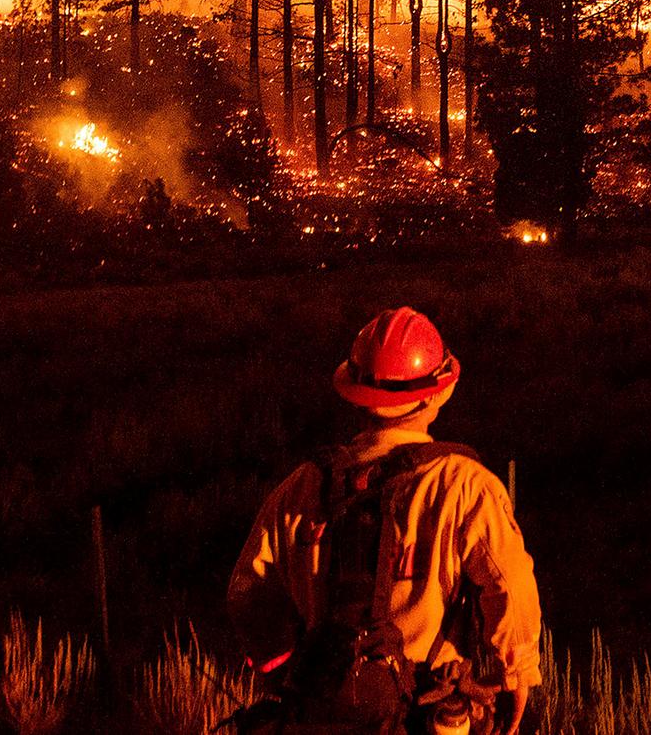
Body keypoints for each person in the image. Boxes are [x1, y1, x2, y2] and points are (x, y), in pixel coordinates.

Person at [230, 306, 541, 735]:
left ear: (355, 392)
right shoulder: (464, 485)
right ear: (436, 394)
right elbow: (509, 585)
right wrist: (515, 673)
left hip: (318, 717)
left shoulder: (301, 488)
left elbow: (248, 591)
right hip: (429, 714)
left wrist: (284, 668)